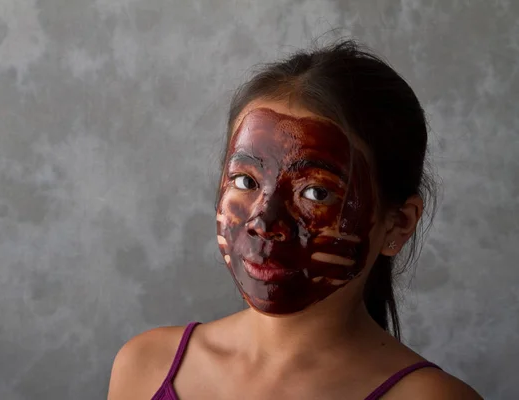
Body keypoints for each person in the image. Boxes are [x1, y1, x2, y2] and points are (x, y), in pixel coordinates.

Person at [107, 39, 482, 399]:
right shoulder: (146, 366)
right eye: (245, 181)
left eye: (316, 193)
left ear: (398, 223)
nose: (264, 221)